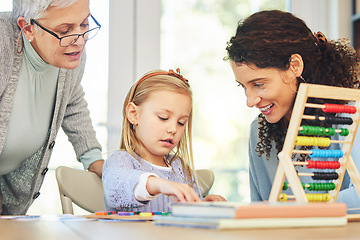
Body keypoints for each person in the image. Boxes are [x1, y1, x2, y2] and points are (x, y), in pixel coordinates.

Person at [225, 10, 360, 210]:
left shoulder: (348, 117)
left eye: (259, 84)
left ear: (294, 66)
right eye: (243, 86)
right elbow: (260, 208)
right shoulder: (258, 132)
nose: (250, 101)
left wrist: (297, 209)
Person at [0, 0, 104, 215]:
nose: (80, 40)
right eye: (65, 30)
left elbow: (72, 102)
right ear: (28, 28)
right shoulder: (3, 44)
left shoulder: (70, 52)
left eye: (84, 24)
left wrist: (94, 158)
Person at [102, 69, 225, 212]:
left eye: (181, 122)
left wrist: (205, 205)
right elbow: (117, 187)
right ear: (134, 114)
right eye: (163, 117)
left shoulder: (181, 168)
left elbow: (190, 209)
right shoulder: (120, 161)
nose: (173, 129)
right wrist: (160, 184)